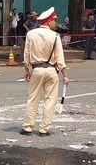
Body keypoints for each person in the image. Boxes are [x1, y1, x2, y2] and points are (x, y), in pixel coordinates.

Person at [20, 7, 69, 137]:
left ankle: (27, 127)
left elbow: (27, 54)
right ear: (47, 21)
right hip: (52, 70)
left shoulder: (31, 34)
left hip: (36, 69)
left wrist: (26, 69)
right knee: (50, 100)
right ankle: (44, 129)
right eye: (53, 20)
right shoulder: (55, 36)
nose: (54, 23)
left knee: (33, 98)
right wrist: (65, 75)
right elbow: (60, 57)